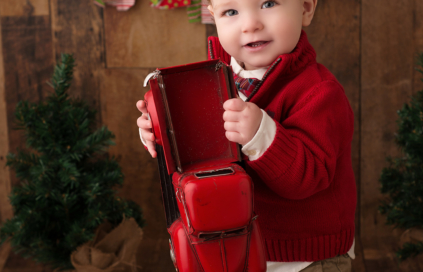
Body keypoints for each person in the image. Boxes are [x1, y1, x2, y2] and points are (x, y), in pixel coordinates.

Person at [136, 0, 356, 271]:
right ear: (213, 15)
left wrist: (261, 134)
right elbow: (197, 154)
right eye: (231, 11)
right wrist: (159, 131)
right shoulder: (210, 82)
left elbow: (309, 177)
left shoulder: (320, 93)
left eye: (268, 3)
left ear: (306, 8)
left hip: (304, 257)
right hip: (229, 246)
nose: (251, 24)